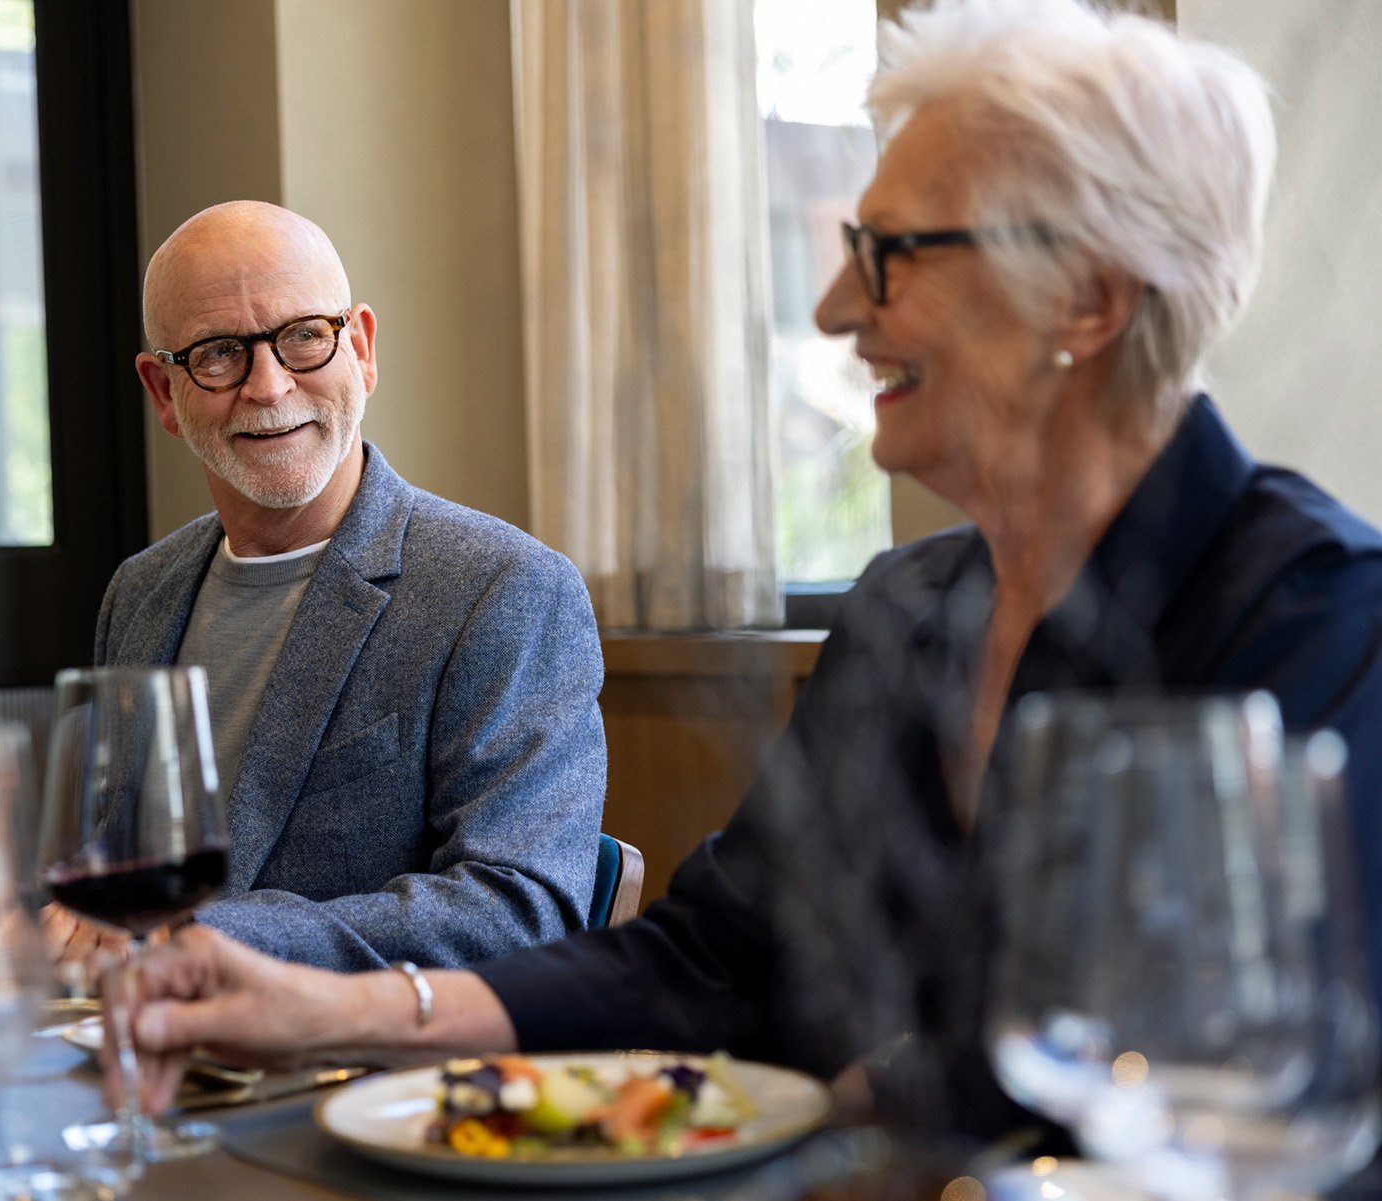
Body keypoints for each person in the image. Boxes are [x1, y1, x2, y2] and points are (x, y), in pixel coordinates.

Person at [112, 0, 1382, 1137]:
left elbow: (1209, 1076)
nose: (835, 308)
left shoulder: (1327, 611)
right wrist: (320, 1009)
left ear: (1088, 298)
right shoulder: (914, 609)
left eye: (891, 254)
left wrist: (850, 1123)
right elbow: (712, 961)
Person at [45, 201, 607, 973]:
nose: (270, 385)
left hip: (356, 1051)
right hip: (135, 1034)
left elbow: (518, 911)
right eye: (218, 353)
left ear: (362, 349)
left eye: (305, 336)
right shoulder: (139, 593)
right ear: (164, 393)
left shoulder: (505, 589)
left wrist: (206, 937)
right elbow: (107, 884)